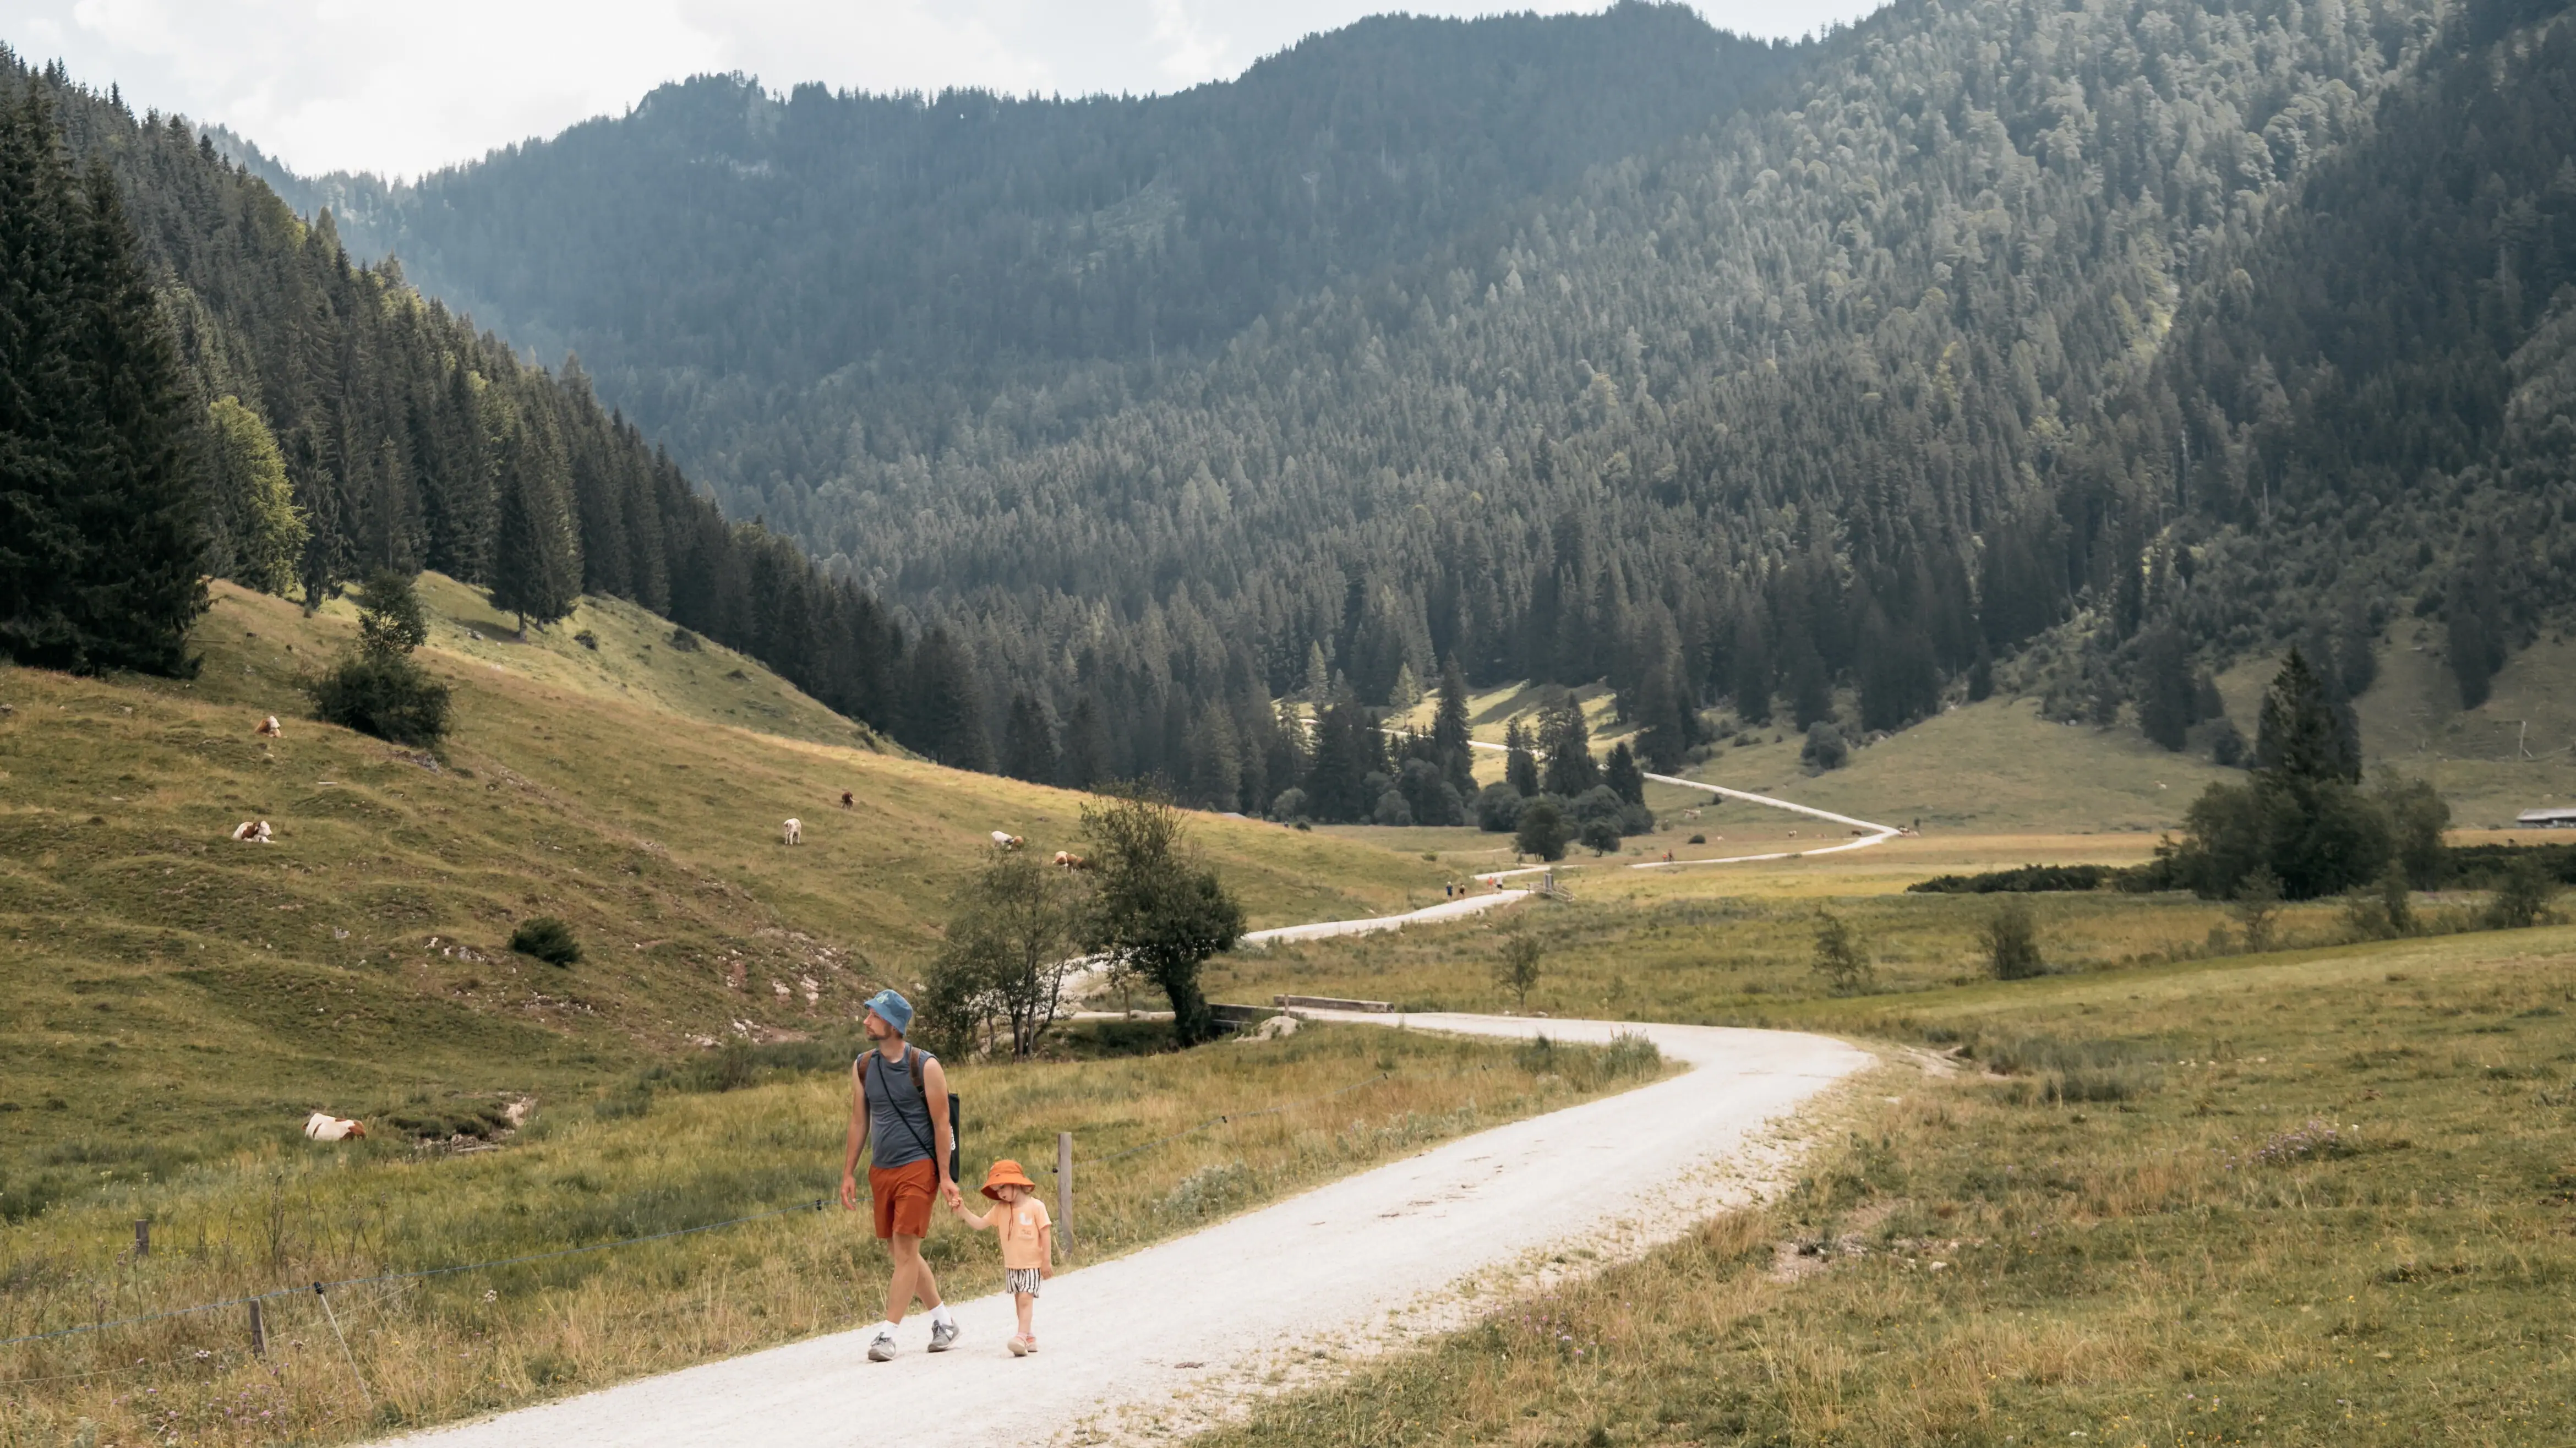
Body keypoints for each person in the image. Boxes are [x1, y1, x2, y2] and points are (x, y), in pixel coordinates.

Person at [841, 988, 964, 1361]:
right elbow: (859, 1120)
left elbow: (943, 1124)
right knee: (899, 1250)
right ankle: (944, 1321)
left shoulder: (926, 1066)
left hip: (918, 1166)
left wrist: (944, 1176)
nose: (866, 1020)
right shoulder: (863, 1065)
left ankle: (887, 1334)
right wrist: (849, 1172)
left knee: (906, 1245)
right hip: (882, 1169)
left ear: (892, 1024)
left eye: (873, 1015)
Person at [951, 1159, 1055, 1356]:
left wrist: (1046, 1261)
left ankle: (1021, 1337)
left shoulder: (1036, 1207)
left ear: (1016, 1183)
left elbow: (1046, 1233)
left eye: (1003, 1187)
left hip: (1032, 1265)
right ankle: (1029, 1336)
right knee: (1019, 1302)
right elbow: (980, 1223)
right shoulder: (1000, 1209)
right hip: (1012, 1265)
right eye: (997, 1190)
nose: (1000, 1193)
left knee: (1026, 1299)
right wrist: (962, 1211)